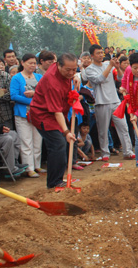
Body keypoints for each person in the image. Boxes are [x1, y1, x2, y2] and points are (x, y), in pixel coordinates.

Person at [29, 53, 78, 189]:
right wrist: (66, 131)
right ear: (58, 66)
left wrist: (76, 76)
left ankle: (58, 179)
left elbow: (72, 74)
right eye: (68, 70)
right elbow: (56, 112)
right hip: (44, 115)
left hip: (58, 112)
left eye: (74, 69)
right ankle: (54, 183)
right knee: (58, 144)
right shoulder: (52, 82)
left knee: (61, 144)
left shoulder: (63, 71)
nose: (71, 72)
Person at [85, 44, 135, 161]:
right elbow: (99, 80)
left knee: (123, 127)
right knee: (103, 129)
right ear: (92, 55)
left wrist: (117, 68)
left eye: (101, 52)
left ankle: (127, 151)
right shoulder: (89, 69)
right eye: (98, 53)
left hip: (115, 101)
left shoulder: (109, 64)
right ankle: (105, 153)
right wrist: (110, 66)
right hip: (101, 102)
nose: (101, 55)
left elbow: (120, 78)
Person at [10, 53, 44, 178]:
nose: (32, 65)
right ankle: (28, 167)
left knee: (37, 139)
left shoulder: (39, 77)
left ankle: (37, 165)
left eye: (34, 63)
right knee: (26, 141)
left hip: (38, 113)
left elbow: (44, 93)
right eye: (30, 63)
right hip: (22, 113)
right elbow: (13, 95)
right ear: (22, 63)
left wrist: (35, 95)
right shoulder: (17, 78)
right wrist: (32, 101)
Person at [0, 81, 27, 177]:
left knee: (13, 134)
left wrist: (0, 128)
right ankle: (9, 168)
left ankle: (14, 162)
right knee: (7, 139)